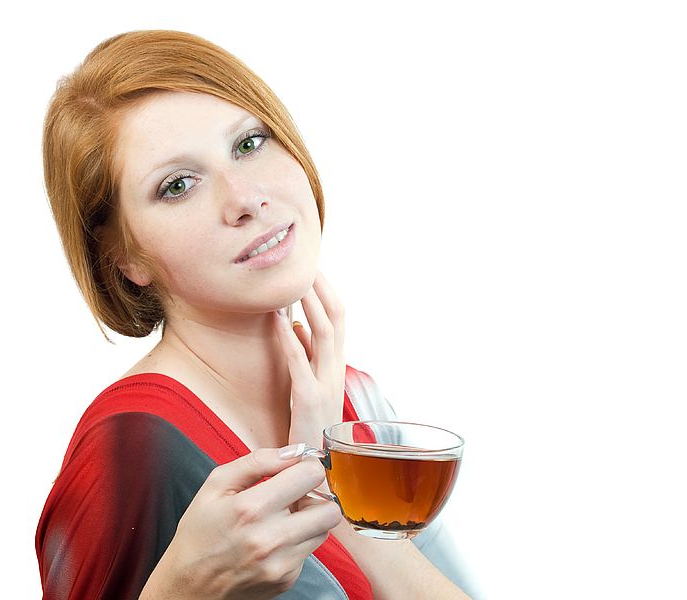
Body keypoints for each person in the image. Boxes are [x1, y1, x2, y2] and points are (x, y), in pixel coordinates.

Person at [36, 30, 479, 600]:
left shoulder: (356, 401)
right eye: (178, 185)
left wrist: (336, 482)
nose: (245, 197)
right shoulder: (133, 446)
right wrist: (180, 590)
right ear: (123, 256)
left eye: (249, 143)